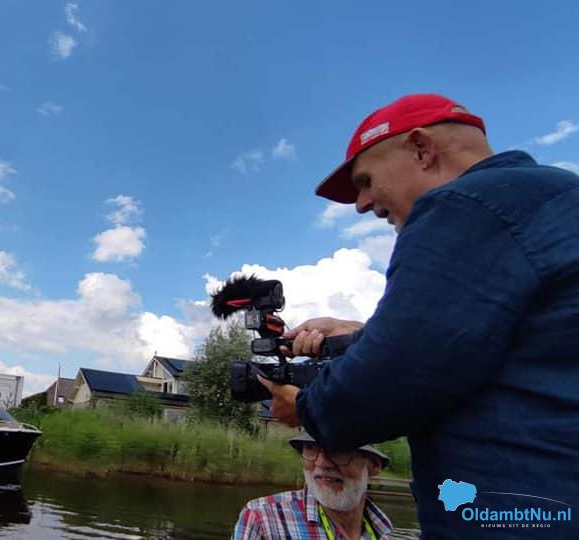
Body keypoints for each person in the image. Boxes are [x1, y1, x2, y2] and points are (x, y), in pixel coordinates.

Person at [258, 94, 579, 537]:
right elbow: (497, 343)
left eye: (366, 181)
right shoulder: (558, 199)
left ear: (421, 149)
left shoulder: (464, 204)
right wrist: (361, 336)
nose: (362, 204)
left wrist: (303, 407)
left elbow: (392, 379)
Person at [232, 432, 394, 539]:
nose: (322, 463)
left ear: (374, 465)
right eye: (311, 448)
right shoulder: (263, 519)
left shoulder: (382, 533)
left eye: (338, 449)